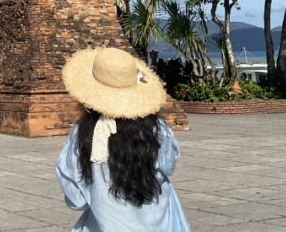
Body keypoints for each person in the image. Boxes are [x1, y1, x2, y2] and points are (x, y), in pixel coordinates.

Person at [56, 47, 190, 232]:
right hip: (160, 222)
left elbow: (76, 198)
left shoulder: (83, 131)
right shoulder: (157, 128)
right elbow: (168, 166)